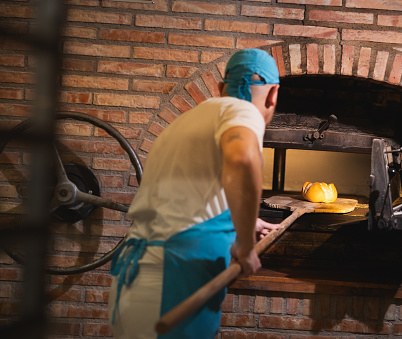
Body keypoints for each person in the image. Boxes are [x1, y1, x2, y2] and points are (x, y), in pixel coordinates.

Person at [107, 48, 281, 339]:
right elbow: (241, 160)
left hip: (135, 281)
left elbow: (190, 203)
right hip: (171, 288)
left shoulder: (188, 121)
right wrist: (245, 247)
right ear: (273, 94)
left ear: (220, 87)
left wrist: (245, 222)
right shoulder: (243, 110)